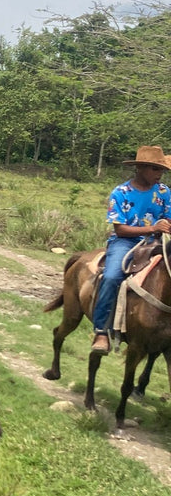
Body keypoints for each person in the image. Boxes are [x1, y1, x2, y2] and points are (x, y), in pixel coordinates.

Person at [90, 144, 171, 355]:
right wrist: (152, 227)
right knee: (111, 276)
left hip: (157, 241)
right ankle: (101, 331)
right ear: (141, 168)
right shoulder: (121, 192)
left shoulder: (164, 192)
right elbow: (120, 228)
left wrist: (163, 228)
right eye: (155, 169)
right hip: (125, 242)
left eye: (161, 170)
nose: (160, 174)